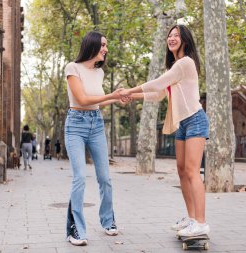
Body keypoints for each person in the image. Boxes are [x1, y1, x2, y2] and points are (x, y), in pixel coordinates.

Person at [119, 25, 210, 237]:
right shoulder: (174, 68)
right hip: (182, 124)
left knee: (192, 171)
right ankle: (191, 219)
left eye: (176, 35)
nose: (172, 38)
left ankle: (201, 222)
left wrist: (129, 90)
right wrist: (130, 97)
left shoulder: (185, 63)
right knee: (181, 171)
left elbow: (158, 83)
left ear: (185, 40)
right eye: (170, 35)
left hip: (195, 120)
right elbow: (157, 94)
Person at [64, 31, 129, 246]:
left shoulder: (99, 73)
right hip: (75, 125)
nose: (106, 49)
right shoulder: (72, 68)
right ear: (91, 45)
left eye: (106, 46)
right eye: (103, 45)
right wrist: (111, 95)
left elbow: (96, 103)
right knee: (80, 177)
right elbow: (82, 99)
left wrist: (116, 98)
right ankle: (75, 229)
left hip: (96, 124)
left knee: (105, 177)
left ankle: (108, 220)